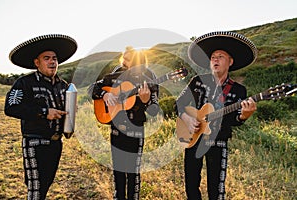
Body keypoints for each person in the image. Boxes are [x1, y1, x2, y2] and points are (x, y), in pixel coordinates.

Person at [175, 31, 258, 200]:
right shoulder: (197, 81)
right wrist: (188, 119)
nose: (215, 59)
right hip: (193, 139)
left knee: (216, 190)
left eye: (220, 56)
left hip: (218, 142)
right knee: (191, 186)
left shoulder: (238, 90)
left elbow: (235, 119)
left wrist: (243, 116)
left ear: (230, 62)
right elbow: (179, 103)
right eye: (213, 56)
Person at [4, 34, 77, 199]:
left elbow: (68, 113)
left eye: (54, 58)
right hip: (34, 143)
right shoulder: (25, 83)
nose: (52, 62)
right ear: (37, 63)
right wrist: (44, 112)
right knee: (35, 189)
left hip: (56, 144)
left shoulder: (63, 86)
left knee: (44, 188)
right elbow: (11, 107)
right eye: (47, 58)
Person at [91, 46, 159, 200]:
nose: (124, 61)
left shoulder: (148, 82)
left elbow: (154, 111)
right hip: (116, 132)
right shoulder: (113, 77)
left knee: (133, 175)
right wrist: (105, 94)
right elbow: (93, 89)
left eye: (128, 59)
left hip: (136, 132)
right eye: (124, 58)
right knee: (118, 173)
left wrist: (146, 101)